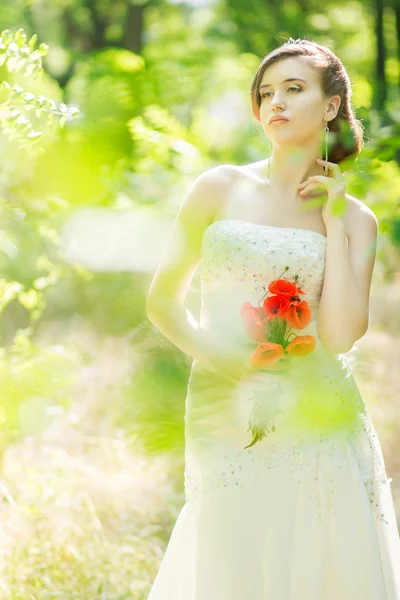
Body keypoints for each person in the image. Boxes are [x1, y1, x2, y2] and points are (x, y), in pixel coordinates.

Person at [145, 38, 400, 599]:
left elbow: (337, 335)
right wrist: (224, 360)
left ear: (331, 106)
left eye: (294, 89)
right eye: (265, 93)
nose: (275, 103)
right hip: (222, 395)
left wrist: (332, 220)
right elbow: (162, 300)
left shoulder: (356, 220)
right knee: (231, 546)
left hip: (315, 408)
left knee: (314, 552)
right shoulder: (218, 187)